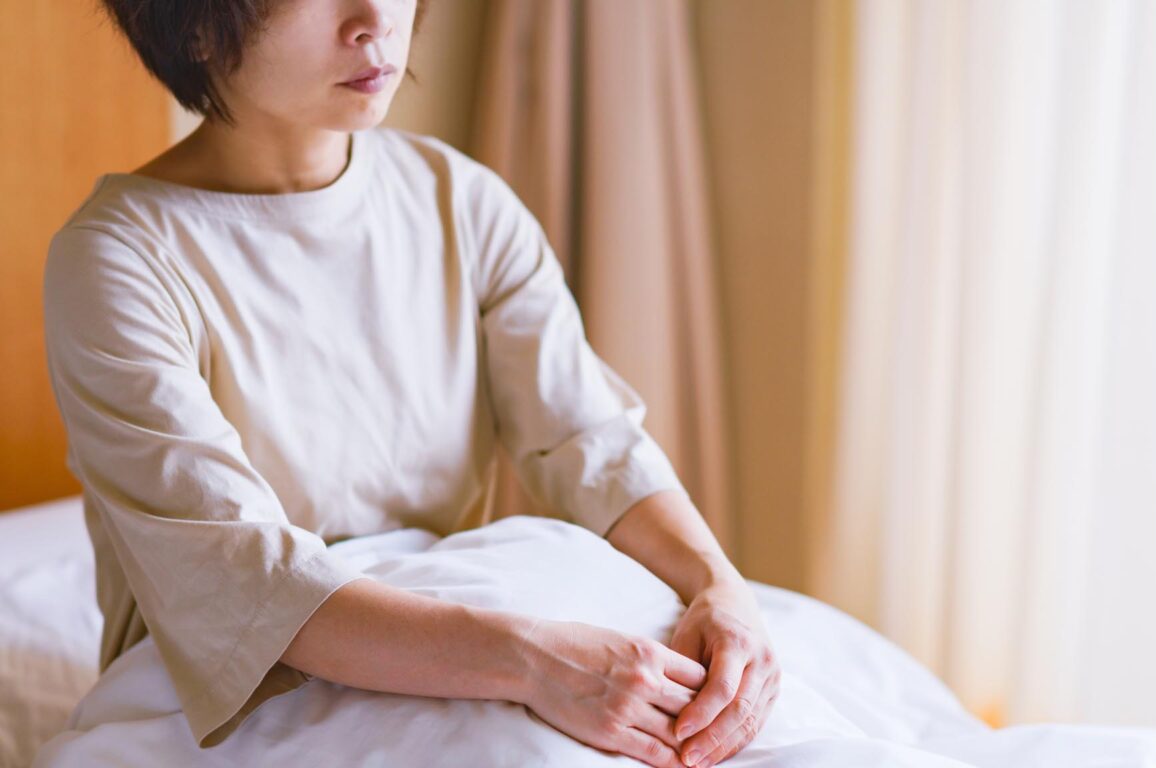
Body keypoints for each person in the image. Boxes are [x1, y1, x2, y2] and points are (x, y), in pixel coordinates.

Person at [42, 1, 779, 767]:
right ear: (195, 24)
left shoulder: (461, 201)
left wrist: (720, 587)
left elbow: (588, 439)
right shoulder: (118, 260)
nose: (374, 20)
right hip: (254, 691)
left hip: (459, 643)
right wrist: (534, 660)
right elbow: (247, 577)